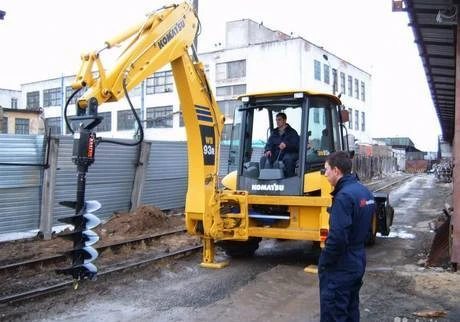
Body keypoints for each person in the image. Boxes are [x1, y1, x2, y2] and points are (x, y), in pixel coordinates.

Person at [318, 151, 375, 322]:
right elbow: (366, 230)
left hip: (341, 265)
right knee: (350, 309)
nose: (325, 174)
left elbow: (338, 238)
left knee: (334, 311)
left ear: (336, 170)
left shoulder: (343, 197)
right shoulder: (365, 193)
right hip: (357, 259)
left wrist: (325, 261)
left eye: (326, 169)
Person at [260, 112, 299, 177]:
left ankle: (289, 178)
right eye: (276, 120)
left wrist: (286, 144)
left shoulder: (292, 132)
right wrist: (268, 150)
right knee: (263, 158)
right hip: (276, 154)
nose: (277, 122)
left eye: (279, 120)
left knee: (288, 159)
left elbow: (296, 145)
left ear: (285, 120)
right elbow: (269, 144)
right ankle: (264, 179)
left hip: (289, 153)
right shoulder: (274, 132)